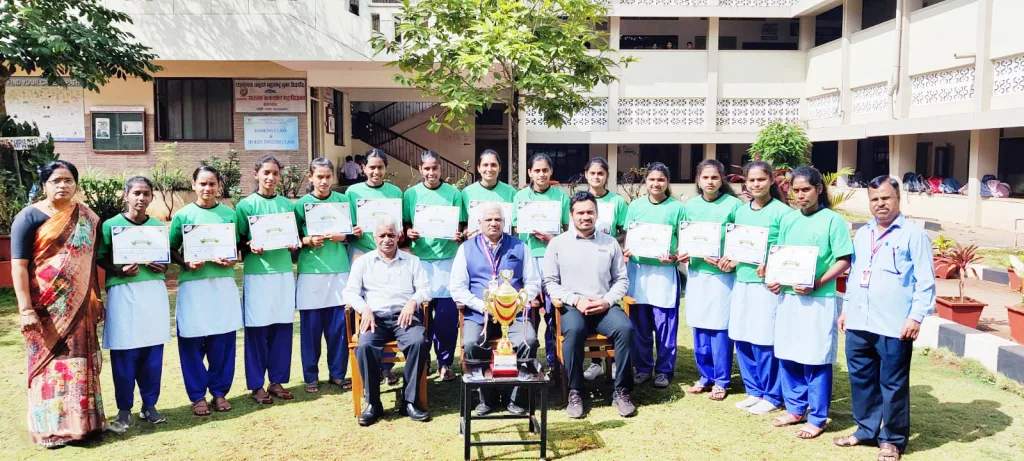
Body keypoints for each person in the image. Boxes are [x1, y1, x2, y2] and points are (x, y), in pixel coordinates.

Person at [834, 176, 936, 461]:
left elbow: (925, 281)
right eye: (874, 199)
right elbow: (855, 276)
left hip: (894, 325)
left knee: (893, 384)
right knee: (861, 379)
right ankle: (866, 430)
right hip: (859, 322)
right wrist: (846, 310)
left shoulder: (913, 235)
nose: (880, 204)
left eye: (885, 198)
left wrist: (915, 317)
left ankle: (892, 440)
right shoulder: (863, 233)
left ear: (898, 199)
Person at [11, 160, 107, 446]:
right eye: (56, 180)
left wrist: (96, 298)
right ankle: (51, 429)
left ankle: (83, 426)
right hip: (44, 309)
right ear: (44, 185)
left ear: (76, 184)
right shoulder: (28, 217)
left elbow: (89, 264)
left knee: (79, 363)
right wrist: (26, 309)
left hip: (79, 308)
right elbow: (19, 266)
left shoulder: (88, 218)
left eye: (68, 180)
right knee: (50, 367)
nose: (62, 185)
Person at [768, 166, 852, 439]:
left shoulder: (832, 221)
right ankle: (794, 409)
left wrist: (818, 282)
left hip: (818, 299)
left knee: (816, 356)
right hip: (789, 298)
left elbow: (844, 259)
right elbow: (780, 256)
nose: (801, 195)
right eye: (796, 190)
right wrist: (775, 279)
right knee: (789, 352)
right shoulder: (789, 220)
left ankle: (817, 416)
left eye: (806, 190)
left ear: (819, 189)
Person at [544, 192, 636, 419]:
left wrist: (606, 301)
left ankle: (622, 390)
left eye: (590, 212)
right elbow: (550, 283)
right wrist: (576, 300)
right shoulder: (557, 243)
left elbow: (622, 279)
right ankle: (575, 391)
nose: (586, 217)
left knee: (625, 329)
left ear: (596, 214)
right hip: (573, 306)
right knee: (573, 331)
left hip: (603, 306)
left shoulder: (610, 242)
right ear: (571, 214)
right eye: (580, 212)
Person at [450, 202, 541, 416]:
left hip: (514, 313)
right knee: (471, 343)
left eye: (498, 219)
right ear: (479, 223)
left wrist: (516, 303)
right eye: (488, 220)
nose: (493, 223)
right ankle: (487, 399)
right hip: (479, 314)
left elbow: (533, 282)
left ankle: (515, 399)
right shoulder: (466, 249)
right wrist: (485, 306)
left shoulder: (520, 246)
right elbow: (457, 288)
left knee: (527, 341)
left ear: (504, 223)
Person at [97, 176, 171, 430]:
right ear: (126, 195)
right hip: (123, 293)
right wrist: (118, 271)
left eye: (146, 193)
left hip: (153, 292)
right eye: (136, 193)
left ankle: (149, 405)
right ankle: (124, 409)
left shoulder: (158, 227)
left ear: (152, 197)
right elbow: (101, 258)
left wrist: (162, 265)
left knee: (152, 353)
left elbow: (166, 262)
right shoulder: (110, 226)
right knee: (124, 352)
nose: (141, 198)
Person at [717, 161, 791, 415]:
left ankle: (772, 394)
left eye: (761, 179)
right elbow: (737, 247)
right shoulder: (741, 212)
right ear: (745, 183)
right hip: (742, 280)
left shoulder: (783, 213)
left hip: (766, 286)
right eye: (751, 180)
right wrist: (729, 260)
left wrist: (770, 263)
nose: (756, 184)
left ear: (771, 180)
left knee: (764, 339)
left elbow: (787, 249)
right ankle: (754, 390)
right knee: (741, 336)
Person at [169, 166, 242, 417]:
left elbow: (238, 248)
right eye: (202, 184)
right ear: (193, 185)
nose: (207, 189)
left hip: (222, 284)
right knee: (191, 338)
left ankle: (220, 392)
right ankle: (198, 395)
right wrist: (185, 262)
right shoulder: (183, 216)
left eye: (212, 184)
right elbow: (171, 249)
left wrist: (233, 260)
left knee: (223, 338)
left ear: (219, 186)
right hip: (193, 285)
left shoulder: (229, 215)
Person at [344, 218, 432, 426]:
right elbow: (349, 293)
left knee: (418, 342)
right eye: (382, 235)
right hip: (375, 318)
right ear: (374, 238)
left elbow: (425, 289)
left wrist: (413, 302)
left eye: (391, 235)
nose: (387, 239)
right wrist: (364, 309)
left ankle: (409, 401)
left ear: (399, 236)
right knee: (364, 345)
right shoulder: (362, 262)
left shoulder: (412, 261)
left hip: (405, 317)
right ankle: (373, 403)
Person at [236, 155, 301, 405]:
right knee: (257, 329)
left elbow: (293, 239)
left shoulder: (287, 205)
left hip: (284, 273)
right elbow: (238, 241)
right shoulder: (246, 206)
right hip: (257, 275)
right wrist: (249, 244)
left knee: (282, 327)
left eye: (275, 173)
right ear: (256, 175)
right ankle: (256, 385)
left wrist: (294, 243)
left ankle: (277, 381)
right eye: (266, 173)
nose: (270, 178)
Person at [294, 158, 361, 393]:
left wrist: (344, 236)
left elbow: (353, 233)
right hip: (311, 272)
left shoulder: (343, 202)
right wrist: (307, 240)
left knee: (338, 328)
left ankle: (337, 373)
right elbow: (292, 239)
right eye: (319, 177)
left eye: (328, 176)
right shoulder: (301, 204)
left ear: (333, 177)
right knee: (311, 328)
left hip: (339, 270)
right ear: (310, 177)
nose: (323, 181)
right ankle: (311, 376)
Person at [404, 150, 467, 382]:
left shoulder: (453, 194)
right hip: (420, 261)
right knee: (421, 314)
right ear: (420, 169)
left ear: (441, 169)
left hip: (447, 260)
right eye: (427, 168)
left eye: (435, 168)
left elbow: (461, 226)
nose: (431, 172)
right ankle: (422, 360)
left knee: (446, 316)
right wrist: (408, 233)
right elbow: (405, 227)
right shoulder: (411, 195)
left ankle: (445, 363)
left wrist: (458, 234)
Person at [681, 159, 741, 401]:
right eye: (705, 177)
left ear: (722, 179)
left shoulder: (734, 205)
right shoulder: (690, 206)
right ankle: (705, 376)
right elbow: (684, 237)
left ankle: (722, 379)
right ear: (698, 180)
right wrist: (683, 253)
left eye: (714, 177)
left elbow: (741, 238)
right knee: (700, 325)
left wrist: (733, 258)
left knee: (719, 327)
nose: (710, 182)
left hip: (722, 277)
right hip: (697, 273)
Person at [345, 149, 404, 385]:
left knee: (388, 304)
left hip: (388, 256)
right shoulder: (352, 192)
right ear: (363, 168)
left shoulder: (395, 192)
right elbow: (345, 224)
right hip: (361, 254)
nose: (376, 171)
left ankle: (386, 367)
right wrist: (352, 231)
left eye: (380, 167)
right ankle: (366, 364)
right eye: (371, 167)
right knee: (362, 306)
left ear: (385, 169)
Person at [624, 163, 684, 390]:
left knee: (665, 325)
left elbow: (684, 241)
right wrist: (627, 251)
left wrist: (675, 256)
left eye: (661, 180)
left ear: (667, 182)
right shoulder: (636, 206)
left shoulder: (677, 208)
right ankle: (642, 368)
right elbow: (629, 236)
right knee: (639, 325)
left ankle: (664, 370)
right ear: (646, 182)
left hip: (664, 273)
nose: (656, 184)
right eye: (652, 180)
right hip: (639, 272)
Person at [512, 153, 570, 377]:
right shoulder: (520, 197)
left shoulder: (561, 197)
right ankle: (528, 361)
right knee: (528, 312)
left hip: (554, 259)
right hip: (528, 260)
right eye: (536, 170)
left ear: (551, 172)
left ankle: (555, 362)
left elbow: (568, 231)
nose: (541, 174)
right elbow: (516, 230)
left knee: (554, 311)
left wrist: (551, 239)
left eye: (545, 170)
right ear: (529, 173)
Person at [582, 157, 628, 381]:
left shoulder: (617, 201)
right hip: (585, 260)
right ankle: (595, 362)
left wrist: (611, 240)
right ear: (586, 175)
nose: (596, 177)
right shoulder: (581, 200)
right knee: (588, 304)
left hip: (608, 258)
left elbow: (623, 231)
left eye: (601, 173)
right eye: (593, 173)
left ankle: (613, 362)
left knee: (607, 305)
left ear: (606, 176)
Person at [462, 149, 516, 239]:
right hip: (477, 244)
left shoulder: (510, 192)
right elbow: (463, 223)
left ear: (500, 168)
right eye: (485, 165)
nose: (489, 169)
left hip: (504, 245)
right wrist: (465, 233)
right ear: (478, 168)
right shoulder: (467, 193)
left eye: (493, 165)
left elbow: (514, 224)